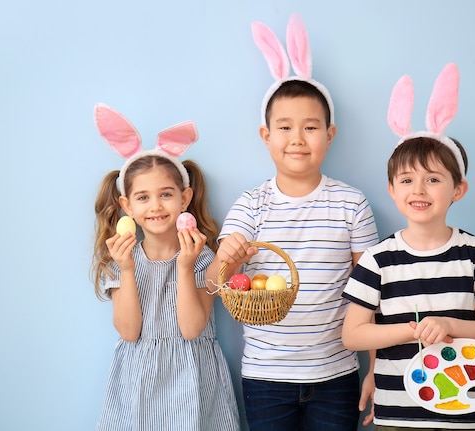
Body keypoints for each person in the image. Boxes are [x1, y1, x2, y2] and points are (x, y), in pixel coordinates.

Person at [207, 14, 379, 431]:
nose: (297, 138)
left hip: (337, 374)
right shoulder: (251, 204)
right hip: (266, 374)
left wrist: (375, 369)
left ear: (330, 133)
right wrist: (227, 259)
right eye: (284, 127)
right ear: (266, 135)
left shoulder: (351, 203)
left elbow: (373, 294)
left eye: (310, 127)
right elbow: (214, 280)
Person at [341, 63, 475, 430]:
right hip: (396, 414)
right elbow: (353, 334)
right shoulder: (377, 259)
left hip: (466, 411)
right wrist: (414, 328)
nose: (418, 190)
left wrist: (449, 324)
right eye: (407, 179)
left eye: (433, 179)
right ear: (392, 190)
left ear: (458, 190)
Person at [91, 104, 240, 431]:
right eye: (142, 198)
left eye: (166, 194)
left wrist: (185, 268)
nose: (155, 206)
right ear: (127, 206)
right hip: (138, 381)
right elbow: (129, 332)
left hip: (193, 379)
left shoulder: (202, 257)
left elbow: (191, 329)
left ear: (185, 199)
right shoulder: (120, 260)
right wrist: (127, 270)